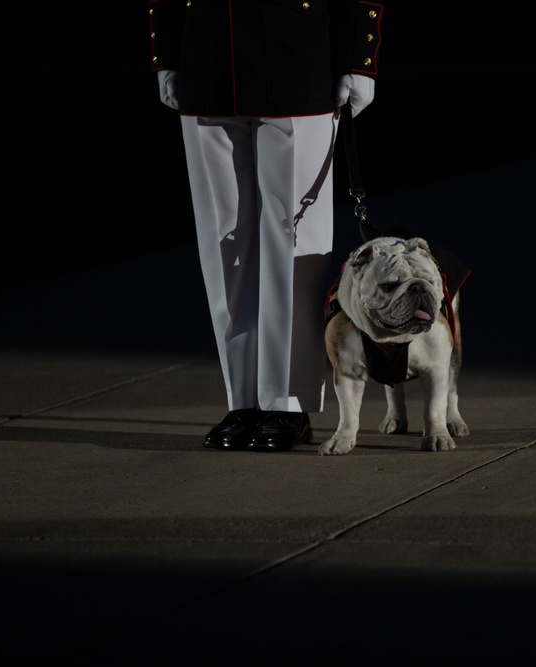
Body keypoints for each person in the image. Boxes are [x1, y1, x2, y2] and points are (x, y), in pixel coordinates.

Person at [148, 0, 384, 451]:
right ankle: (244, 399)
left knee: (293, 247)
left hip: (296, 55)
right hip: (208, 56)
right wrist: (168, 51)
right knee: (225, 249)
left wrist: (360, 58)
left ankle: (287, 403)